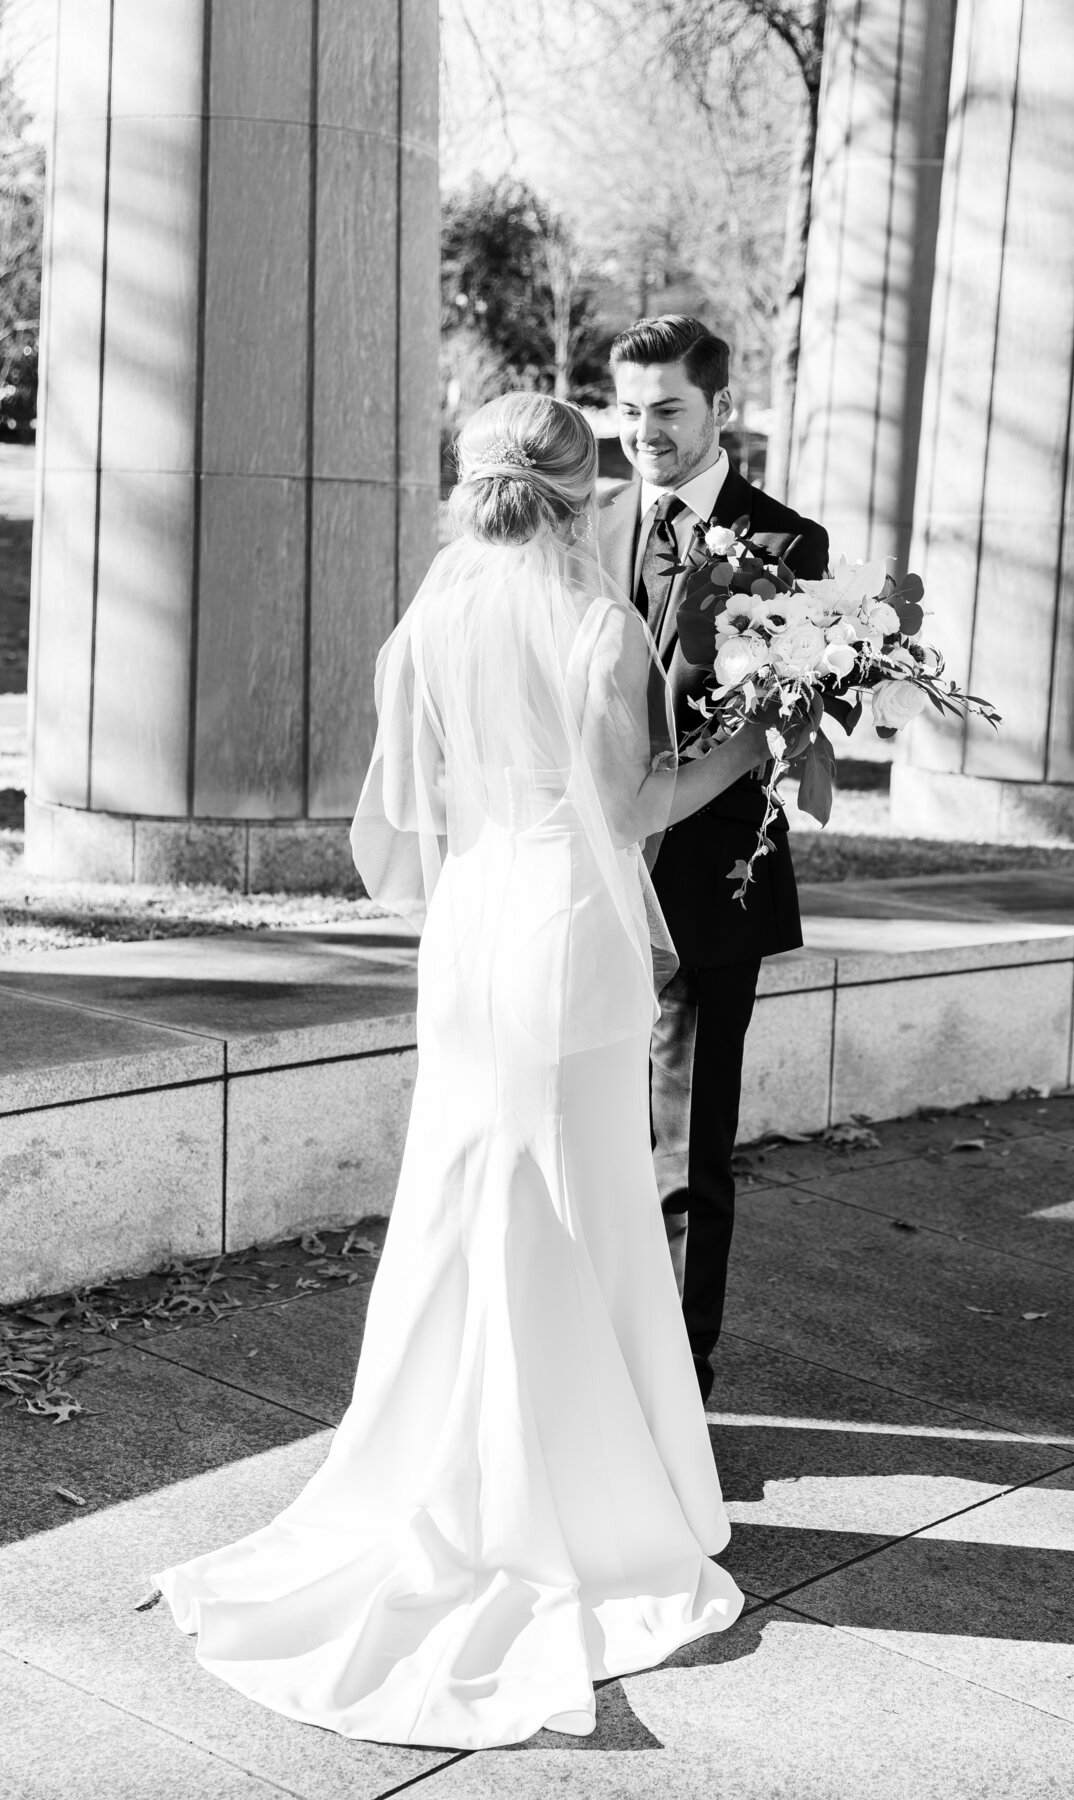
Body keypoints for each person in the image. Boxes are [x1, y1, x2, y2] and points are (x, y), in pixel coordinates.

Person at [154, 393, 782, 1750]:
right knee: (586, 1199)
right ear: (588, 489)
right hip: (568, 933)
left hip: (476, 927)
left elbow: (406, 816)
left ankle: (450, 1462)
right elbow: (630, 812)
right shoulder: (599, 627)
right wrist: (753, 740)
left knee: (467, 1199)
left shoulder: (432, 615)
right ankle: (586, 1490)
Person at [598, 316, 829, 1402]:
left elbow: (787, 718)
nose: (643, 432)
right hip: (586, 881)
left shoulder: (789, 545)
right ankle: (589, 1341)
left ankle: (677, 1374)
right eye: (629, 410)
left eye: (667, 410)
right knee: (589, 1125)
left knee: (688, 1138)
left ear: (718, 408)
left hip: (707, 881)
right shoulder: (586, 524)